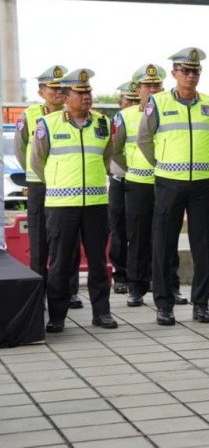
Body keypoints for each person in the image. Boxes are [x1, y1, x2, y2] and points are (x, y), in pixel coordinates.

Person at [138, 48, 209, 325]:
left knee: (203, 245)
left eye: (195, 70)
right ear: (174, 73)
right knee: (163, 244)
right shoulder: (157, 103)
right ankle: (164, 304)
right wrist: (163, 163)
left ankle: (201, 304)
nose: (191, 75)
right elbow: (144, 140)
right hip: (168, 183)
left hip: (202, 184)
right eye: (185, 70)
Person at [30, 68, 118, 332]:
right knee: (59, 263)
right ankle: (57, 316)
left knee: (98, 262)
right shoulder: (48, 124)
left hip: (95, 205)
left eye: (88, 91)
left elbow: (106, 156)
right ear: (66, 96)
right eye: (80, 93)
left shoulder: (102, 123)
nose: (87, 97)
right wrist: (60, 183)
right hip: (61, 206)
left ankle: (101, 312)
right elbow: (37, 162)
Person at [112, 64, 185, 307]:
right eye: (147, 86)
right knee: (138, 237)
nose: (152, 90)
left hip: (168, 183)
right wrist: (133, 166)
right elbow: (115, 150)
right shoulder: (125, 116)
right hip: (139, 184)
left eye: (157, 86)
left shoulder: (170, 109)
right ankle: (136, 287)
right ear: (138, 89)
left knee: (168, 237)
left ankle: (169, 286)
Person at [14, 65, 83, 309]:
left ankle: (70, 290)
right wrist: (41, 175)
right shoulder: (29, 116)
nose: (57, 93)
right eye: (52, 89)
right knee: (40, 241)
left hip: (67, 189)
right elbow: (22, 151)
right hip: (39, 186)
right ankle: (39, 292)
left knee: (68, 241)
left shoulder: (74, 116)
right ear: (41, 91)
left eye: (61, 89)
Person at [107, 81, 138, 295]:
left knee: (141, 231)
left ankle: (143, 275)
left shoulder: (147, 120)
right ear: (120, 102)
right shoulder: (113, 123)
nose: (132, 105)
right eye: (129, 100)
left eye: (136, 100)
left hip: (142, 182)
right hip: (119, 180)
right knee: (117, 230)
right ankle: (121, 276)